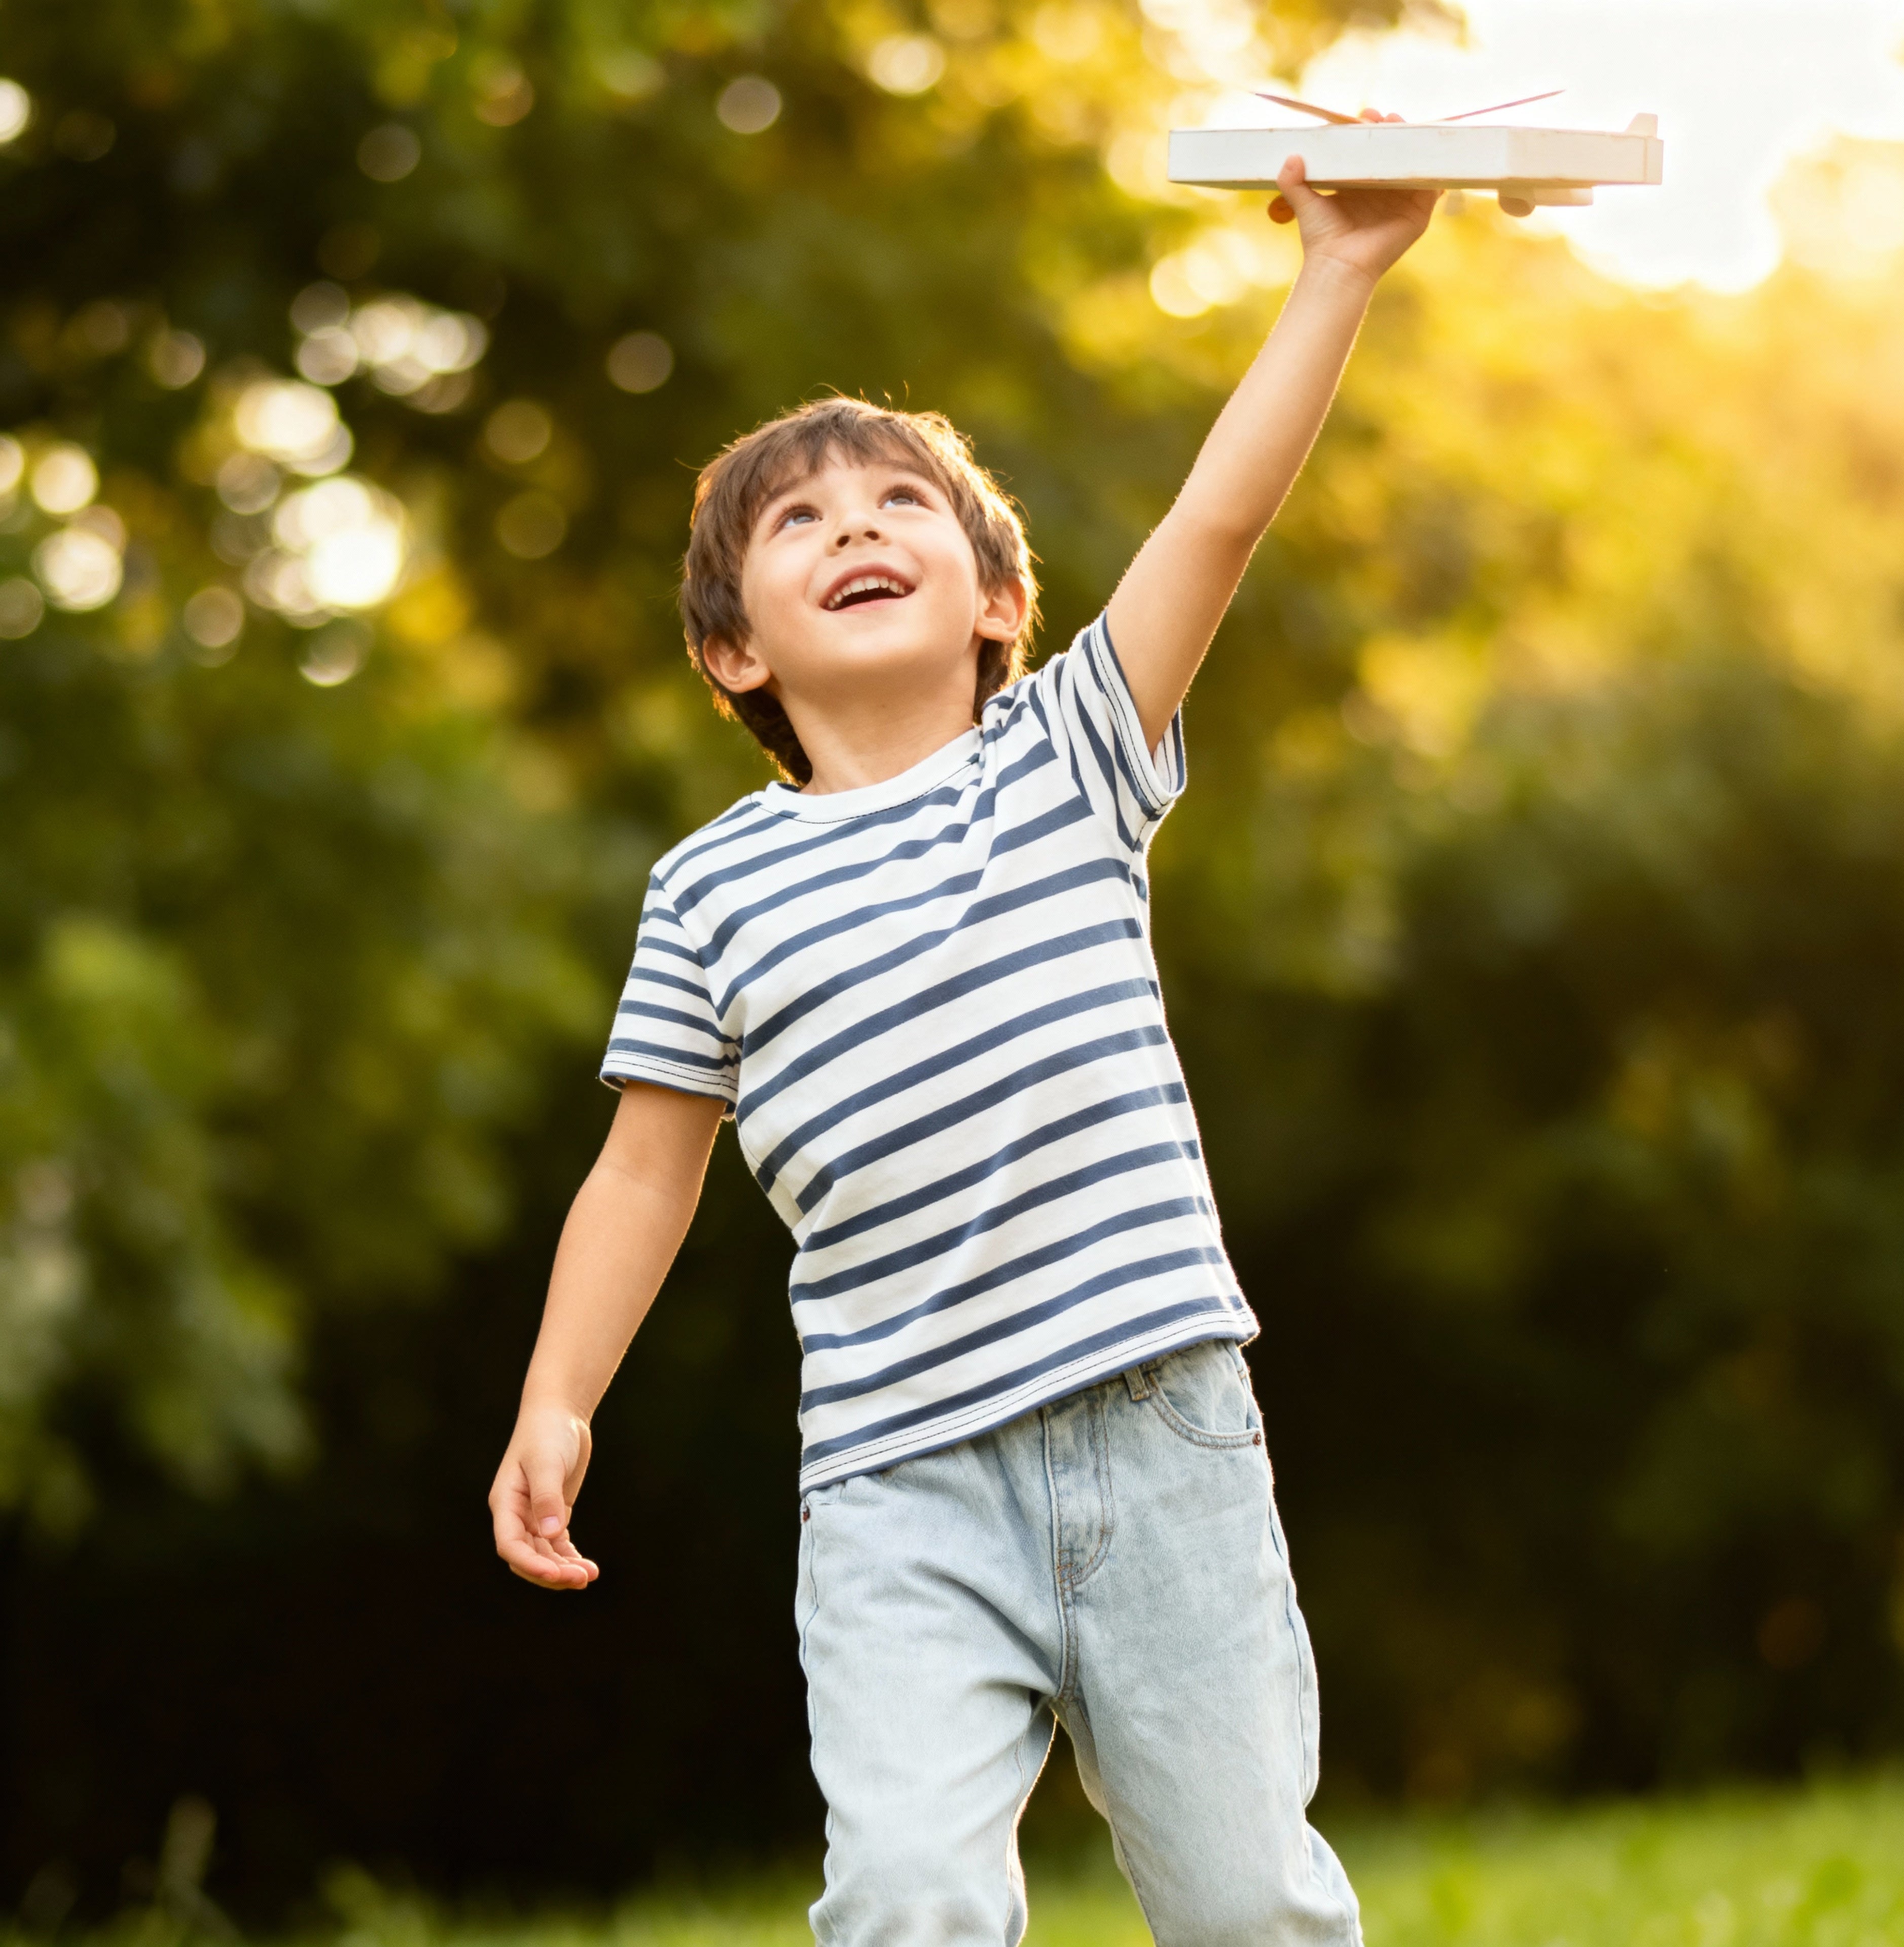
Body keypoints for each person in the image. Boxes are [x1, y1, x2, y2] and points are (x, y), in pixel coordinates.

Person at [489, 139, 1434, 1944]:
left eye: (900, 504)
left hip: (1159, 1427)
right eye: (799, 523)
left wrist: (1339, 276)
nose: (855, 527)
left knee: (1249, 1909)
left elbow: (1215, 522)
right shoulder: (710, 891)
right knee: (908, 1900)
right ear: (730, 653)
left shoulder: (1068, 758)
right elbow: (643, 1169)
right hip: (900, 1481)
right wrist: (556, 1394)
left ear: (1001, 597)